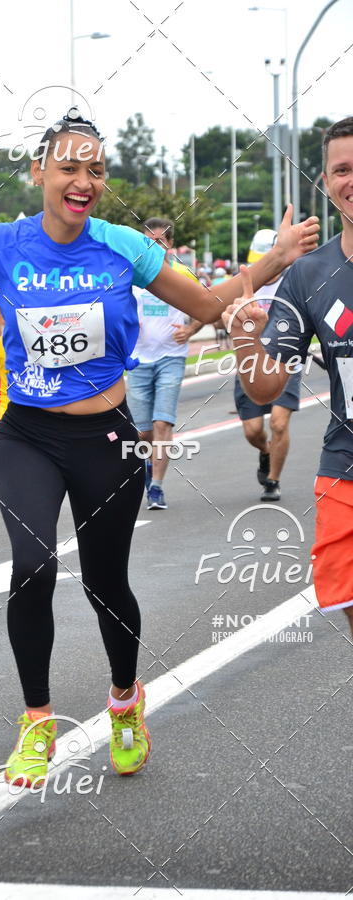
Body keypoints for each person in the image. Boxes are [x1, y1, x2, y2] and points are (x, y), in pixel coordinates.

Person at [0, 110, 318, 784]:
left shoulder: (123, 246)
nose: (84, 180)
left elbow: (208, 307)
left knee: (104, 581)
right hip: (28, 436)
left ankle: (124, 701)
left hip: (108, 438)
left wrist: (271, 261)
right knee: (31, 567)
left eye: (95, 169)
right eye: (69, 166)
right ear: (39, 172)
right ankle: (37, 721)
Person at [222, 116, 353, 634]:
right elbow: (266, 385)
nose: (352, 180)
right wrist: (243, 335)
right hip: (347, 463)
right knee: (345, 597)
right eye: (342, 169)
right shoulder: (308, 275)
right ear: (325, 181)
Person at [127, 217, 204, 510]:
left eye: (160, 241)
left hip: (171, 356)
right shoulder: (134, 273)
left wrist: (192, 329)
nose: (155, 246)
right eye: (149, 241)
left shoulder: (183, 274)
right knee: (142, 433)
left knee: (162, 423)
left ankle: (157, 488)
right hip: (139, 359)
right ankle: (147, 469)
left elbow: (210, 304)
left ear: (170, 244)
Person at [233, 231, 301, 502]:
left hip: (286, 359)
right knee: (252, 431)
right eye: (259, 259)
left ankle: (273, 480)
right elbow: (216, 315)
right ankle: (265, 451)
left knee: (279, 423)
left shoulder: (293, 282)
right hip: (249, 362)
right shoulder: (243, 282)